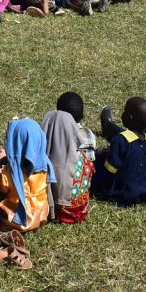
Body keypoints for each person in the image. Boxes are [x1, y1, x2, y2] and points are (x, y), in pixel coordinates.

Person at [41, 93, 95, 224]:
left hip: (51, 204)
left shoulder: (48, 130)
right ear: (82, 116)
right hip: (78, 206)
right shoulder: (88, 135)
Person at [92, 97, 146, 206]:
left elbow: (110, 170)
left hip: (123, 192)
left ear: (129, 117)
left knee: (96, 164)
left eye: (124, 111)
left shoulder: (120, 139)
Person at [0, 118, 54, 233]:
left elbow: (3, 187)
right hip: (41, 215)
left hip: (16, 221)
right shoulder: (45, 166)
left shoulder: (11, 173)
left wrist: (0, 173)